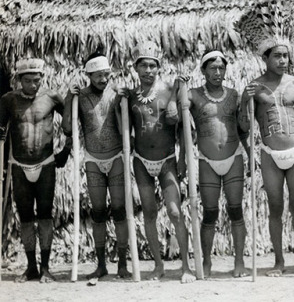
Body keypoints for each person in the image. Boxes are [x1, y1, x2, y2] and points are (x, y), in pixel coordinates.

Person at [119, 41, 196, 282]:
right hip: (141, 162)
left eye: (153, 65)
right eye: (144, 66)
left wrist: (183, 158)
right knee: (149, 213)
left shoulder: (169, 90)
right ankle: (158, 266)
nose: (148, 70)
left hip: (167, 161)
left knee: (174, 211)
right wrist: (119, 101)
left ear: (158, 67)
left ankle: (186, 266)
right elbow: (123, 128)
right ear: (136, 68)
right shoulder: (130, 96)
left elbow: (186, 129)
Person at [240, 45, 294, 278]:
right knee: (275, 208)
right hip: (269, 153)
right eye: (277, 56)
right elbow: (243, 126)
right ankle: (279, 261)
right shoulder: (254, 88)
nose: (283, 60)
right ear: (265, 58)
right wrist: (245, 101)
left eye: (286, 56)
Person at [178, 50, 249, 278]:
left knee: (235, 210)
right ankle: (206, 261)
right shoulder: (193, 95)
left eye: (221, 68)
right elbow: (176, 114)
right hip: (207, 160)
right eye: (213, 68)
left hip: (234, 156)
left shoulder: (234, 95)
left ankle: (239, 261)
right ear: (203, 70)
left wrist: (251, 155)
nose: (218, 73)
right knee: (210, 212)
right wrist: (177, 88)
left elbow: (243, 129)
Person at [0, 58, 71, 282]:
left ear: (42, 79)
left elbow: (70, 125)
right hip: (19, 165)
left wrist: (65, 151)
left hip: (46, 163)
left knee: (45, 214)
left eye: (37, 80)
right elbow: (1, 132)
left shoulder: (51, 98)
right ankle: (31, 266)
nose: (33, 85)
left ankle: (46, 268)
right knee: (26, 215)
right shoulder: (8, 100)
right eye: (28, 81)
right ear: (19, 80)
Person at [62, 51, 131, 280]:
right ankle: (101, 265)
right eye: (98, 75)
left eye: (106, 74)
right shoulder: (80, 97)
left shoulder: (116, 95)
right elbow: (67, 128)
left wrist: (125, 101)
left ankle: (122, 263)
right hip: (93, 159)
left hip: (116, 159)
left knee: (120, 210)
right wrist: (67, 100)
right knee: (98, 212)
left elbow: (126, 129)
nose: (103, 79)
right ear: (89, 75)